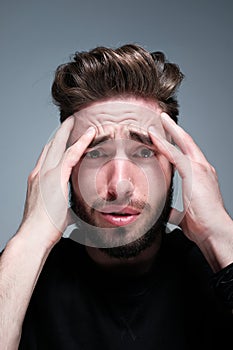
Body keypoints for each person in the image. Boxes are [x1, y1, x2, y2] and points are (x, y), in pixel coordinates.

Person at [0, 44, 232, 350]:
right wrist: (29, 241)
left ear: (176, 167)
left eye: (145, 152)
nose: (119, 185)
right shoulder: (22, 276)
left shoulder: (218, 271)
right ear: (66, 170)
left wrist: (220, 234)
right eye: (95, 152)